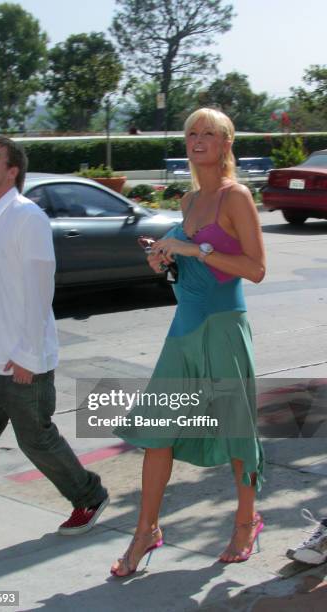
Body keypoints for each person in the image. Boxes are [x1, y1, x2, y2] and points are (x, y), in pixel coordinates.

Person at [111, 107, 266, 576]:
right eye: (192, 133)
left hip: (223, 328)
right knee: (156, 433)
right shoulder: (188, 200)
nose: (198, 140)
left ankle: (246, 522)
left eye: (209, 133)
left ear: (225, 144)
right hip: (183, 331)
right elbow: (196, 264)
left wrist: (191, 248)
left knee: (238, 432)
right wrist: (164, 258)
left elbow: (256, 270)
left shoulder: (235, 197)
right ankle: (146, 532)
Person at [0, 135, 108, 548]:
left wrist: (28, 356)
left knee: (35, 438)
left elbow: (38, 291)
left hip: (22, 356)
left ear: (12, 170)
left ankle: (90, 496)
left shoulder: (27, 217)